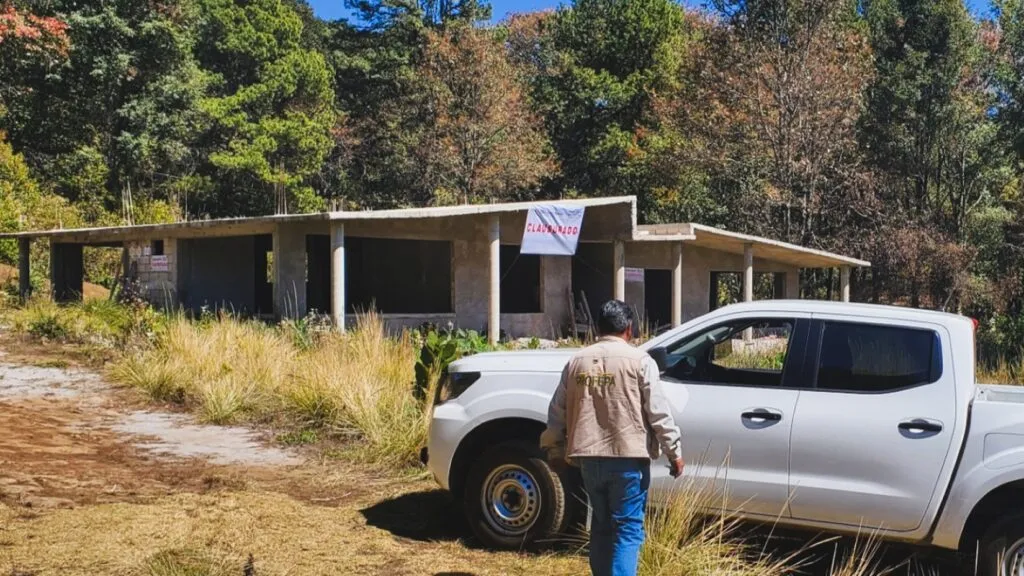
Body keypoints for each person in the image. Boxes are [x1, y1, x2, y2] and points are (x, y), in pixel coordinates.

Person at [540, 299, 684, 576]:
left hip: (589, 461)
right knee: (628, 530)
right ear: (629, 328)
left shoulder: (576, 361)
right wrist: (674, 452)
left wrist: (554, 450)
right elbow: (658, 413)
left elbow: (556, 411)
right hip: (628, 461)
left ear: (598, 328)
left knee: (602, 527)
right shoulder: (641, 361)